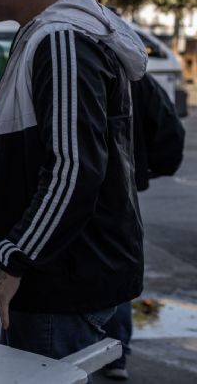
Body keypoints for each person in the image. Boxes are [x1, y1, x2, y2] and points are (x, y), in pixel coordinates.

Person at [0, 0, 147, 361]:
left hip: (60, 288)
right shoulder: (56, 31)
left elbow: (74, 168)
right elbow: (67, 151)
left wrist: (10, 261)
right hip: (65, 280)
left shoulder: (62, 39)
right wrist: (8, 173)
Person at [102, 73, 185, 380]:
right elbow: (169, 133)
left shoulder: (64, 62)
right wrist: (151, 167)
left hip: (75, 185)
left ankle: (87, 348)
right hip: (122, 186)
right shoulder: (134, 75)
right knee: (116, 263)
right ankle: (116, 352)